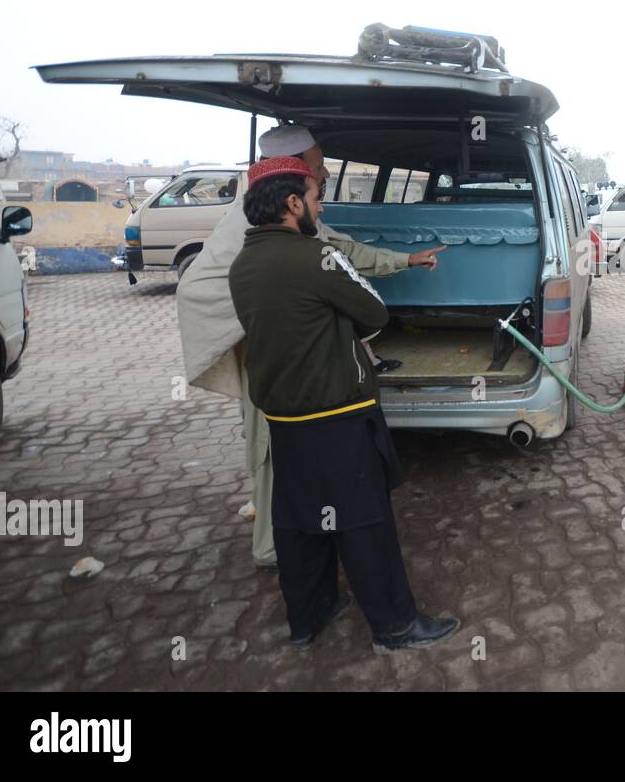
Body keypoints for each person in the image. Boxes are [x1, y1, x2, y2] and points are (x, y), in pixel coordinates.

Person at [176, 124, 444, 570]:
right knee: (268, 446)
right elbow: (344, 275)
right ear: (294, 191)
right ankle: (273, 547)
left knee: (289, 447)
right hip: (259, 346)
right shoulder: (272, 230)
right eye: (317, 167)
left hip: (278, 349)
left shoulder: (279, 215)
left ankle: (302, 544)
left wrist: (405, 260)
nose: (322, 176)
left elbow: (339, 248)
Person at [229, 156, 459, 651]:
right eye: (315, 196)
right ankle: (395, 626)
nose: (321, 204)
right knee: (363, 521)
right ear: (293, 204)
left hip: (284, 418)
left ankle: (310, 616)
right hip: (336, 414)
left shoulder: (242, 265)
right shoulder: (318, 258)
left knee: (299, 523)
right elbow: (374, 312)